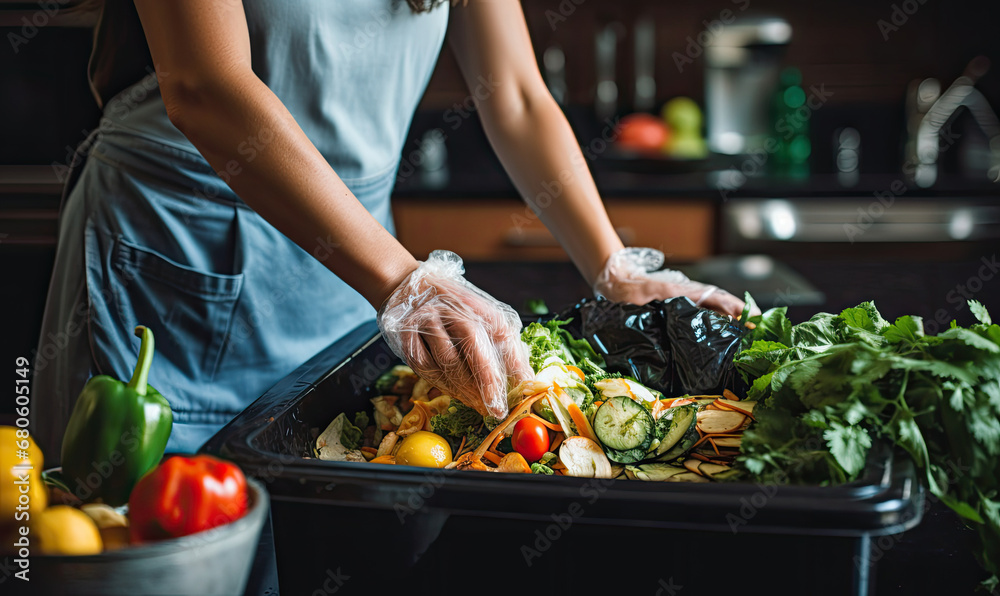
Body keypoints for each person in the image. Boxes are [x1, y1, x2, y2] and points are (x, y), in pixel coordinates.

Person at [33, 0, 750, 458]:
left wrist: (613, 266)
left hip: (352, 271)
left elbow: (518, 97)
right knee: (149, 546)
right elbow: (204, 85)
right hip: (182, 247)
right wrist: (401, 278)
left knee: (320, 531)